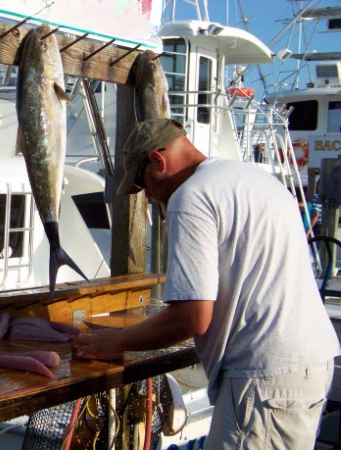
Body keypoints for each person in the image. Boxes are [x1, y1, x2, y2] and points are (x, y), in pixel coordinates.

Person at [72, 118, 340, 449]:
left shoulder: (191, 197)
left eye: (144, 185)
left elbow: (193, 317)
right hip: (312, 365)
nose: (151, 197)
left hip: (263, 377)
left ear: (158, 161)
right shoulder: (255, 178)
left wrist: (118, 341)